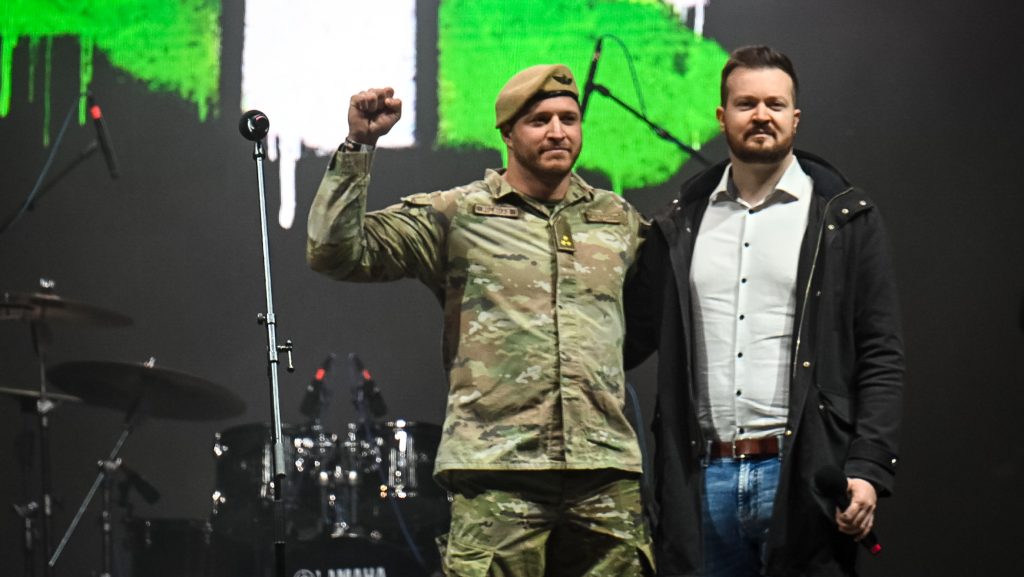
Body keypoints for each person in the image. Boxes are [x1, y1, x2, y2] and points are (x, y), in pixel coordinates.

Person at [307, 64, 654, 577]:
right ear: (507, 134)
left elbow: (660, 310)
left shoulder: (616, 219)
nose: (558, 131)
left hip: (603, 477)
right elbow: (334, 253)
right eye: (539, 120)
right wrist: (359, 147)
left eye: (569, 118)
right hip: (498, 474)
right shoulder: (459, 214)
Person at [624, 45, 904, 577]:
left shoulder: (844, 218)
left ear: (795, 117)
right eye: (745, 103)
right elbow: (625, 336)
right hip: (702, 479)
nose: (760, 116)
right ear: (721, 116)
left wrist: (868, 467)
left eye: (774, 104)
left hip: (801, 478)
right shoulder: (680, 222)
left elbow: (880, 354)